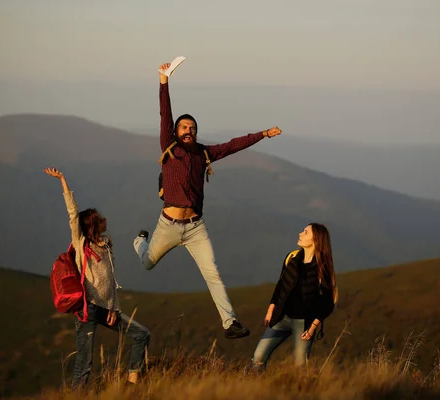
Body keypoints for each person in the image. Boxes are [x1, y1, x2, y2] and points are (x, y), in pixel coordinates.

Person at [133, 62, 282, 339]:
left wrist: (263, 134)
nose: (187, 130)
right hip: (167, 225)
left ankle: (230, 324)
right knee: (147, 263)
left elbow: (233, 145)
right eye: (183, 127)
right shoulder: (170, 148)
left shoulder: (204, 154)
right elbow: (165, 115)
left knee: (213, 274)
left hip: (195, 227)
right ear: (176, 132)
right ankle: (139, 242)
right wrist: (163, 81)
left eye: (192, 127)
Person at [44, 167, 150, 388]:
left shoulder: (105, 246)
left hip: (106, 308)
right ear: (91, 225)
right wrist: (63, 180)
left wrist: (114, 309)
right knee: (85, 362)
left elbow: (110, 282)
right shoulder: (81, 245)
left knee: (141, 334)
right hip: (87, 309)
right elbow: (73, 215)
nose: (104, 220)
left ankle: (132, 386)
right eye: (99, 219)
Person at [252, 223, 338, 370]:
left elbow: (328, 302)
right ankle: (258, 390)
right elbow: (281, 285)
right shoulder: (291, 257)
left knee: (300, 368)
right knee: (258, 359)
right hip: (282, 317)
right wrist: (271, 309)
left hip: (304, 324)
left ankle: (301, 392)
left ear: (315, 240)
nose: (300, 234)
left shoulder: (322, 267)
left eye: (305, 232)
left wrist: (312, 328)